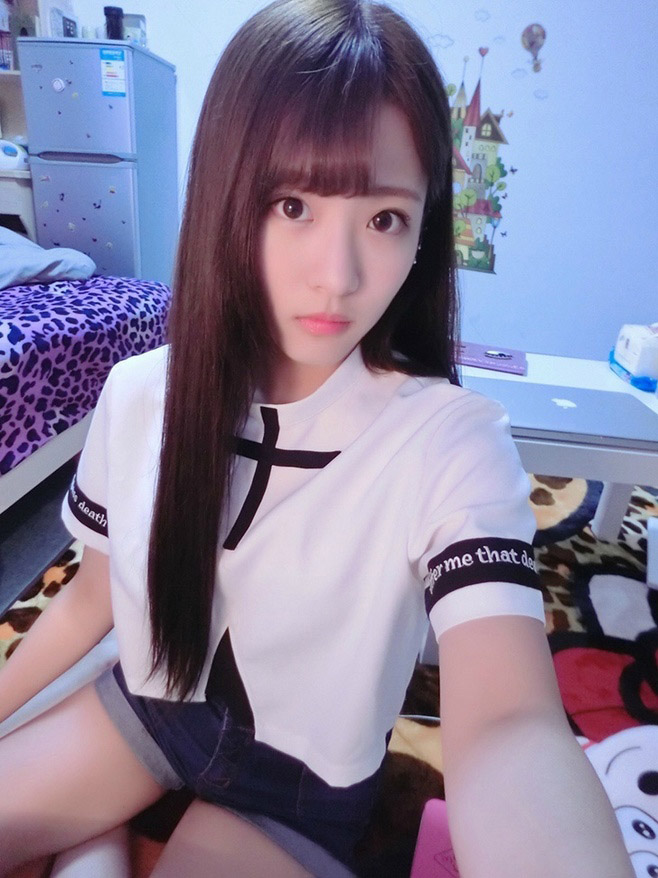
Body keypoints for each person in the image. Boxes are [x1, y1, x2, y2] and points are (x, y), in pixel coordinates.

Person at [0, 1, 633, 875]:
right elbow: (93, 597)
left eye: (384, 219)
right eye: (293, 204)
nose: (337, 277)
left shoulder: (452, 441)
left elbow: (509, 724)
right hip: (151, 705)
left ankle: (92, 833)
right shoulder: (142, 394)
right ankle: (96, 827)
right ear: (225, 197)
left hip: (299, 789)